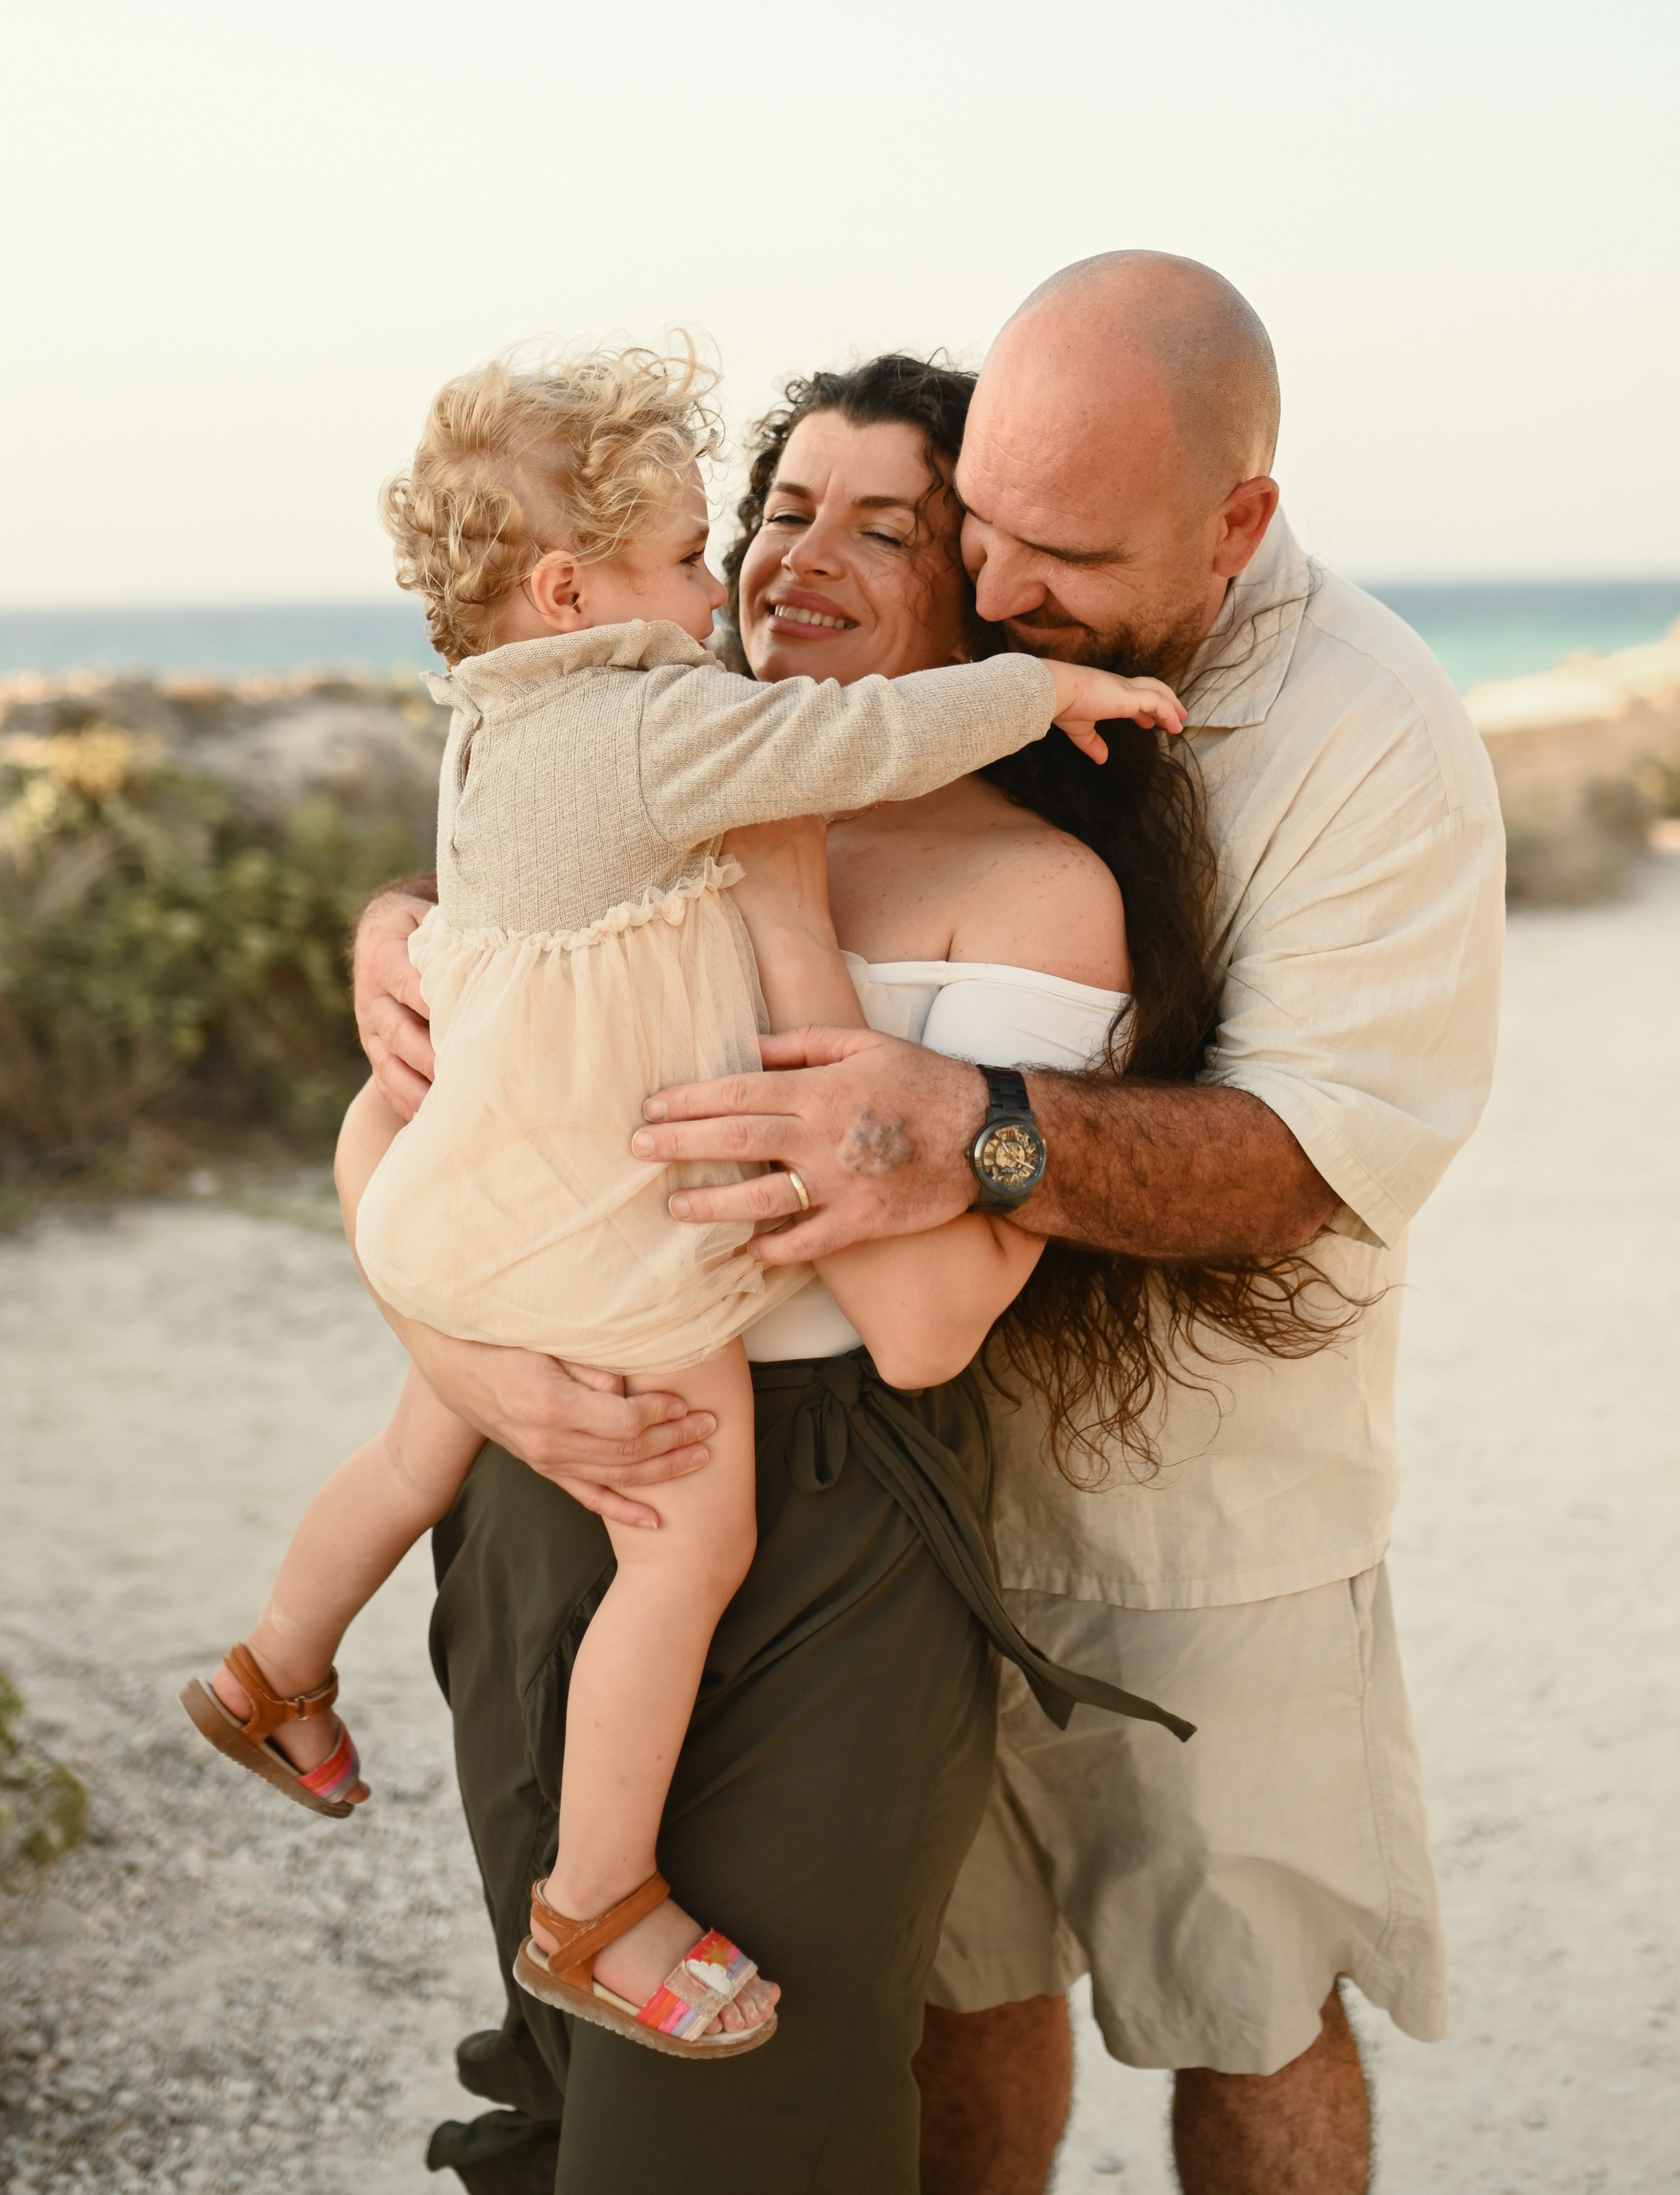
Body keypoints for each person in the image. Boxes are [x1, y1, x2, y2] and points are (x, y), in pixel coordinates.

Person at [619, 255, 1506, 2195]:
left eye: (1064, 554)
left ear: (1239, 521)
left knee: (1246, 2005)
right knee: (956, 1998)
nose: (1003, 592)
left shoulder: (1368, 733)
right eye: (980, 530)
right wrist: (390, 937)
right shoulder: (948, 652)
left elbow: (1305, 1155)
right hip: (901, 1505)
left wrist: (971, 1133)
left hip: (1211, 1521)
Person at [181, 341, 1179, 2060]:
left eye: (882, 528)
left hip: (687, 1409)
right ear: (578, 588)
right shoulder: (676, 762)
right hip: (563, 1385)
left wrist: (792, 908)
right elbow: (407, 1123)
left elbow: (927, 1330)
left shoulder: (569, 749)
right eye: (768, 514)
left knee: (717, 2124)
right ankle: (584, 1896)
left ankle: (289, 1672)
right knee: (543, 2093)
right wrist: (476, 1354)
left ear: (976, 575)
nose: (777, 561)